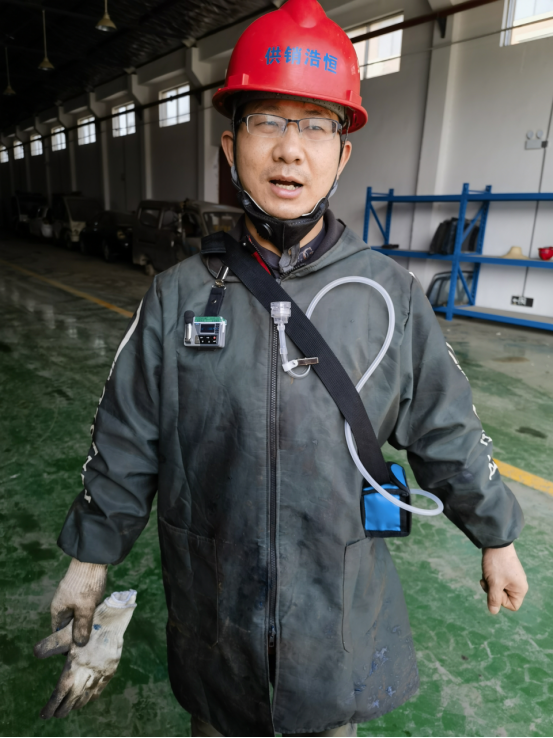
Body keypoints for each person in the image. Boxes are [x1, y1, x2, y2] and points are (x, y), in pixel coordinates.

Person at [42, 0, 528, 735]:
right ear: (231, 144)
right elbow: (126, 438)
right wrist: (90, 560)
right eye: (268, 121)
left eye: (315, 125)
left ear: (342, 154)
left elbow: (446, 428)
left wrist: (495, 536)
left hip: (335, 611)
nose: (289, 150)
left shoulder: (389, 296)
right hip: (215, 609)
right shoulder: (178, 296)